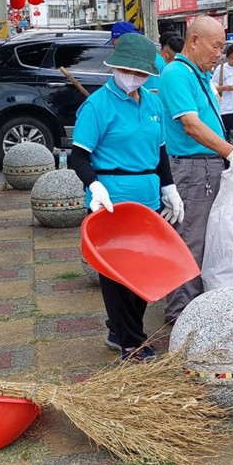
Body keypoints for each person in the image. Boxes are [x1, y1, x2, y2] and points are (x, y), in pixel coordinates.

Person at [68, 33, 184, 361]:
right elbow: (77, 156)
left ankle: (118, 329)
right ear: (114, 67)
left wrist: (169, 187)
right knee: (118, 274)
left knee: (143, 268)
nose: (134, 78)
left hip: (147, 199)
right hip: (112, 199)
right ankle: (132, 342)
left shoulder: (152, 102)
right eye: (128, 71)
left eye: (141, 74)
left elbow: (160, 150)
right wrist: (94, 185)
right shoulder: (97, 106)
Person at [158, 16, 233, 322]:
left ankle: (196, 304)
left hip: (206, 166)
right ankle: (180, 311)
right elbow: (190, 125)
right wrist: (231, 153)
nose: (220, 53)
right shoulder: (177, 74)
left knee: (207, 237)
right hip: (192, 170)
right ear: (194, 41)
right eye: (216, 46)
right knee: (190, 238)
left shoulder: (198, 73)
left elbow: (208, 119)